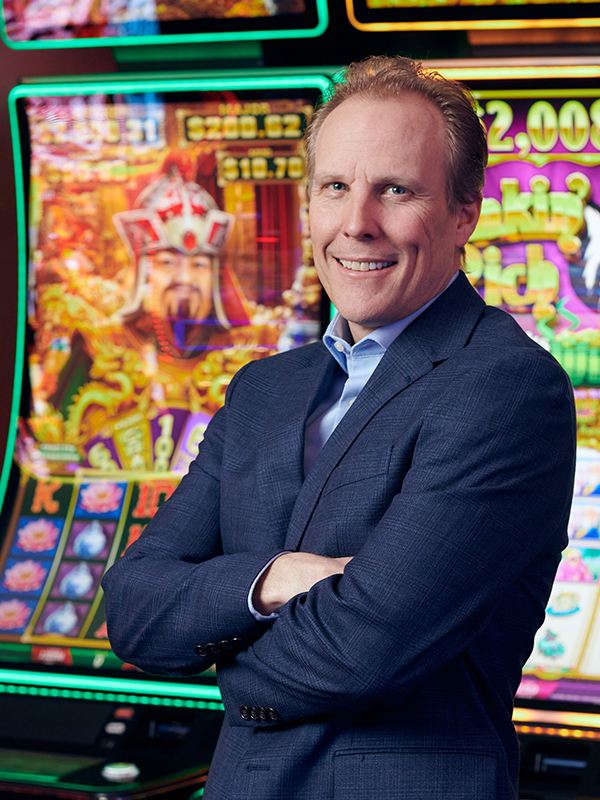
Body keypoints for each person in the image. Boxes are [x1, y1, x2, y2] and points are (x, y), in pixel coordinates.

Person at [102, 56, 577, 799]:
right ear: (309, 204)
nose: (357, 223)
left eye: (396, 189)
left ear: (463, 213)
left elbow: (363, 648)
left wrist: (217, 651)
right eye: (335, 188)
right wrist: (273, 580)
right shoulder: (263, 388)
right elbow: (132, 607)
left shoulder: (506, 386)